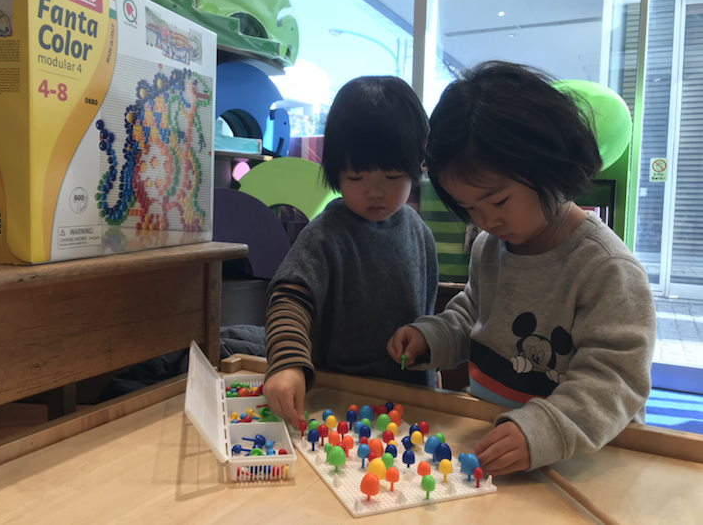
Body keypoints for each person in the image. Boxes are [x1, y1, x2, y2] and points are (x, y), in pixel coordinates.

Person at [387, 61, 656, 476]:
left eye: (498, 201)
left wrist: (542, 431)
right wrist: (432, 336)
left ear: (547, 167)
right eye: (469, 208)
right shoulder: (490, 247)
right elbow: (473, 316)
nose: (485, 220)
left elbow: (615, 380)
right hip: (493, 442)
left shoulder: (607, 269)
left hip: (582, 464)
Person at [263, 76, 438, 427]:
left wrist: (429, 344)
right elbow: (289, 299)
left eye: (392, 176)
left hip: (410, 406)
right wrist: (288, 363)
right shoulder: (326, 235)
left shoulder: (420, 233)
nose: (375, 192)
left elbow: (428, 313)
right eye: (357, 177)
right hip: (338, 406)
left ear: (417, 165)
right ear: (336, 172)